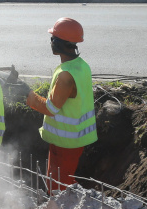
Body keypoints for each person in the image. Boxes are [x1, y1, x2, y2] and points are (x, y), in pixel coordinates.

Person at [26, 18, 97, 193]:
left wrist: (27, 94)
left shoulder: (66, 75)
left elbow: (50, 108)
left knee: (58, 187)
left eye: (53, 39)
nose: (50, 43)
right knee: (58, 182)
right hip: (71, 137)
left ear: (58, 44)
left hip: (67, 140)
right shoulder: (81, 65)